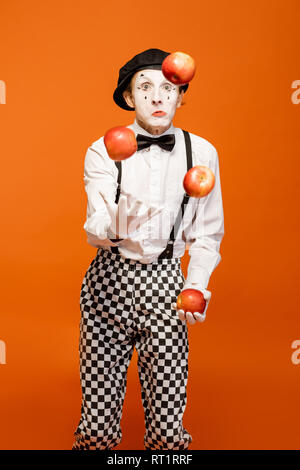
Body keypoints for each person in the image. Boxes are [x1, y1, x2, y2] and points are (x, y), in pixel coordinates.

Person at [72, 48, 224, 450]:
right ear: (128, 97)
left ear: (179, 95)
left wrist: (198, 286)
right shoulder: (102, 150)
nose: (158, 97)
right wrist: (117, 228)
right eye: (145, 87)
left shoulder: (202, 153)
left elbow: (208, 233)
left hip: (168, 285)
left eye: (168, 87)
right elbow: (95, 227)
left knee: (167, 420)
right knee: (97, 423)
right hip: (110, 280)